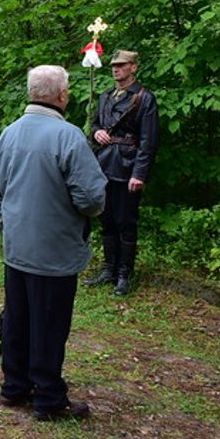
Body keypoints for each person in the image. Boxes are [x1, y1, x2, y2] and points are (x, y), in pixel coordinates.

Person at [0, 65, 106, 421]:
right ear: (61, 95)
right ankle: (49, 398)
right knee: (49, 323)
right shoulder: (68, 137)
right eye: (68, 89)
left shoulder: (9, 133)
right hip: (53, 250)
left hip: (17, 246)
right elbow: (91, 197)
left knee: (18, 317)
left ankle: (15, 386)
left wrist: (8, 226)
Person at [85, 50, 159, 296]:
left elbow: (148, 141)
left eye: (122, 65)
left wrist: (139, 174)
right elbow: (95, 124)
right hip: (104, 164)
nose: (116, 69)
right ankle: (109, 268)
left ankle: (124, 273)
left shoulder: (144, 98)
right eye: (114, 65)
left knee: (125, 221)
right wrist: (97, 133)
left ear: (134, 67)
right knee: (106, 220)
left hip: (127, 167)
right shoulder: (105, 96)